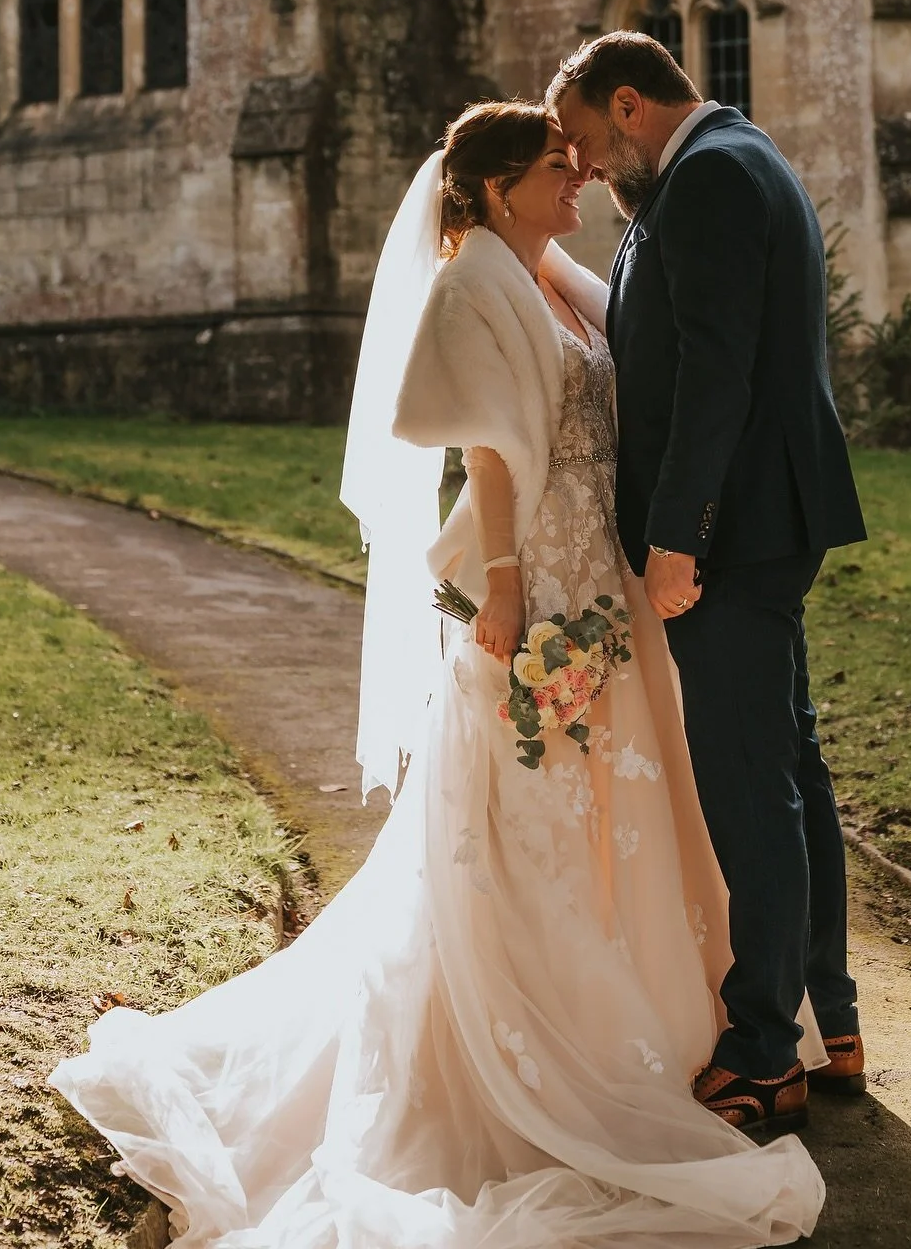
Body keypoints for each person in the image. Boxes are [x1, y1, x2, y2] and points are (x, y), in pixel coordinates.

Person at [50, 99, 826, 1249]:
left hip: (598, 574)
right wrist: (504, 581)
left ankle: (659, 1018)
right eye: (557, 173)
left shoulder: (545, 268)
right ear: (500, 187)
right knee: (535, 806)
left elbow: (639, 348)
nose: (578, 186)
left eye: (576, 168)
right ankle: (540, 1034)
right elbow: (485, 449)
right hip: (540, 581)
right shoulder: (471, 283)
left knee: (624, 792)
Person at [549, 35, 869, 1137]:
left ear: (630, 105)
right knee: (789, 760)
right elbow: (664, 338)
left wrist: (679, 534)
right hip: (768, 517)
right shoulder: (723, 163)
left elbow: (720, 370)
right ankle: (833, 1019)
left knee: (749, 784)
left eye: (590, 143)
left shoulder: (711, 177)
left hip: (736, 530)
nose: (587, 171)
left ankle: (762, 1051)